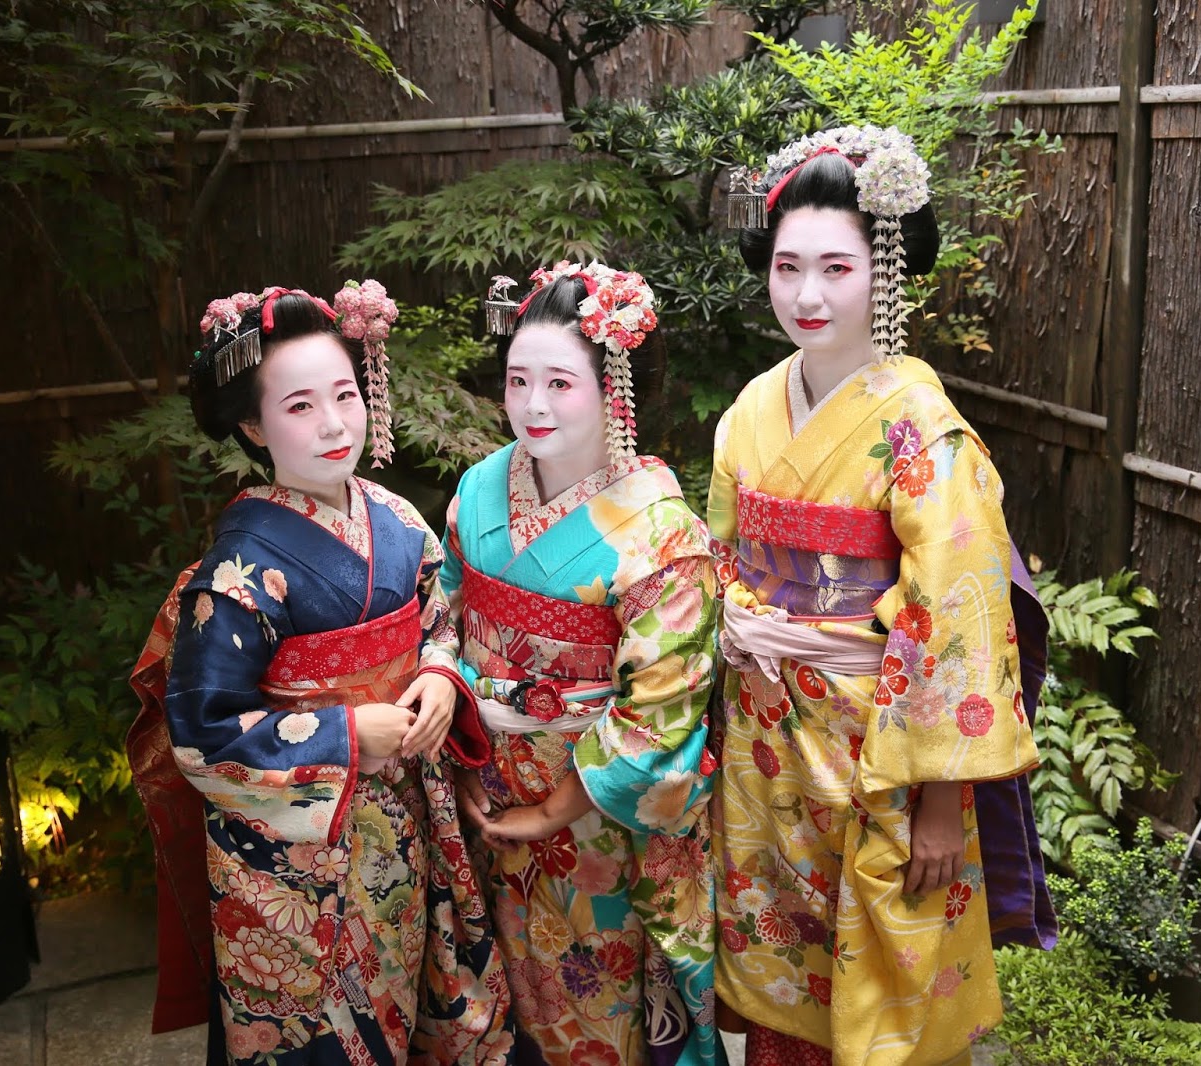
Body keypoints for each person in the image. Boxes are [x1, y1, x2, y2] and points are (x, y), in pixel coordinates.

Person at [709, 126, 1056, 1065]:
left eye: (836, 268)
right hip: (762, 741)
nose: (807, 295)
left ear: (884, 271)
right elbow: (721, 559)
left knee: (885, 981)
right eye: (787, 267)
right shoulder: (750, 409)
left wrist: (942, 798)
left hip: (879, 754)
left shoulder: (921, 427)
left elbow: (957, 616)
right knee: (779, 964)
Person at [127, 282, 512, 1065]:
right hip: (302, 866)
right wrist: (344, 734)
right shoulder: (238, 571)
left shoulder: (396, 519)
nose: (334, 423)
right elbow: (202, 734)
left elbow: (439, 620)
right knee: (326, 1039)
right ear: (251, 425)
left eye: (345, 394)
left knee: (431, 1003)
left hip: (411, 815)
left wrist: (441, 675)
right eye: (299, 406)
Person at [444, 262, 720, 1066]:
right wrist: (458, 741)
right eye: (518, 379)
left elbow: (660, 710)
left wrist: (552, 811)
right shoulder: (480, 488)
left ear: (614, 391)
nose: (532, 404)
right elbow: (442, 612)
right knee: (496, 994)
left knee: (597, 1002)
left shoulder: (662, 531)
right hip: (481, 784)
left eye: (559, 383)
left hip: (595, 813)